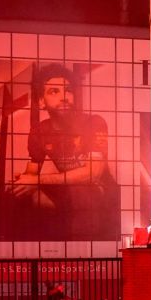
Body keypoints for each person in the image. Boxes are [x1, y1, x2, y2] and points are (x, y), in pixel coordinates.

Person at [9, 64, 119, 239]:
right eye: (54, 91)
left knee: (82, 194)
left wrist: (36, 180)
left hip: (98, 190)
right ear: (41, 101)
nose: (64, 97)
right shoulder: (38, 130)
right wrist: (23, 180)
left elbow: (93, 174)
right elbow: (32, 170)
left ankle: (80, 244)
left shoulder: (94, 122)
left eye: (68, 91)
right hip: (67, 189)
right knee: (20, 195)